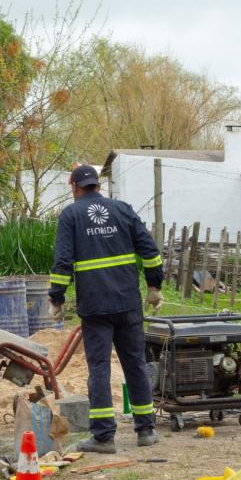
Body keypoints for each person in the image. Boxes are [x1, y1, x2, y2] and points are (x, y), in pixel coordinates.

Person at [49, 164, 165, 454]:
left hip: (95, 305)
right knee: (135, 363)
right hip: (127, 302)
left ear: (74, 187)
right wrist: (154, 286)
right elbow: (149, 250)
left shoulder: (71, 215)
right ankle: (146, 429)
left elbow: (63, 261)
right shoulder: (123, 209)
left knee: (99, 367)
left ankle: (103, 437)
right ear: (97, 185)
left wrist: (57, 298)